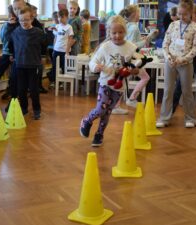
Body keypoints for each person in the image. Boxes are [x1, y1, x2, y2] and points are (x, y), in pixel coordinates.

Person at [79, 15, 138, 147]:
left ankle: (99, 134)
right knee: (101, 109)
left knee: (107, 112)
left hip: (120, 85)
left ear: (125, 32)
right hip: (105, 82)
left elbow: (136, 65)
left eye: (120, 32)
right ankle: (87, 120)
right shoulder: (105, 47)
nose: (117, 36)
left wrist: (135, 70)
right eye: (114, 33)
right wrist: (96, 66)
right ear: (109, 32)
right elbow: (93, 62)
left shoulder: (131, 47)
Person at [156, 0, 196, 128]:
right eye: (180, 14)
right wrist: (168, 57)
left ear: (191, 13)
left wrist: (183, 59)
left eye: (185, 14)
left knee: (187, 91)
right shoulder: (172, 25)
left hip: (185, 63)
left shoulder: (195, 27)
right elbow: (165, 43)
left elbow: (195, 48)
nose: (182, 17)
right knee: (168, 90)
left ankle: (190, 118)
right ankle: (164, 118)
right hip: (170, 62)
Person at [7, 5, 46, 120]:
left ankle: (36, 110)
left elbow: (44, 46)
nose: (24, 22)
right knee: (21, 89)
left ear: (31, 19)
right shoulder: (16, 32)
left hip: (33, 65)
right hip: (20, 65)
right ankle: (24, 108)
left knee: (34, 90)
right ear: (19, 20)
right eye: (22, 20)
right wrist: (12, 55)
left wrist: (43, 57)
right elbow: (11, 44)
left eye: (27, 20)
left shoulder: (38, 32)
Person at [119, 5, 157, 108]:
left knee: (122, 81)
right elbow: (132, 45)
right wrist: (148, 38)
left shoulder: (127, 25)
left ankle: (118, 105)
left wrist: (144, 39)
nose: (139, 15)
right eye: (138, 13)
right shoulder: (134, 27)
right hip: (131, 59)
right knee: (145, 77)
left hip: (126, 58)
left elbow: (132, 42)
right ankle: (131, 99)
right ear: (134, 15)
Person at [0, 4, 18, 99]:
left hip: (8, 53)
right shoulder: (13, 25)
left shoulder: (5, 25)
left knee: (1, 72)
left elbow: (2, 38)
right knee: (9, 74)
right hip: (10, 53)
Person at [51, 9, 74, 84]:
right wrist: (54, 49)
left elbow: (70, 40)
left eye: (62, 17)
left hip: (64, 51)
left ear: (66, 17)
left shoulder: (69, 27)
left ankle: (63, 83)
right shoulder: (57, 26)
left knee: (64, 67)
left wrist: (67, 51)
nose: (59, 19)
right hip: (56, 50)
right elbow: (55, 38)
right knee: (55, 67)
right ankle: (54, 81)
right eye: (58, 17)